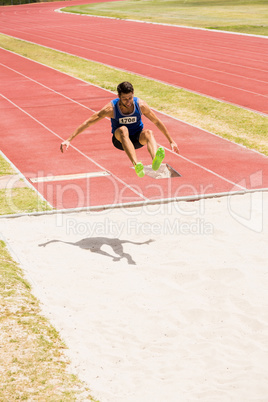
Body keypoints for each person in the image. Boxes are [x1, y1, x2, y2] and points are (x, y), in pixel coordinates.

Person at [60, 81, 179, 178]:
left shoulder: (140, 105)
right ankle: (137, 164)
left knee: (149, 132)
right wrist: (69, 139)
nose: (128, 102)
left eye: (130, 98)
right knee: (123, 129)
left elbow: (157, 122)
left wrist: (171, 140)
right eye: (124, 99)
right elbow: (88, 123)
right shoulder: (110, 109)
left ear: (133, 94)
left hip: (137, 138)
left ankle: (155, 161)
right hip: (120, 140)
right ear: (119, 97)